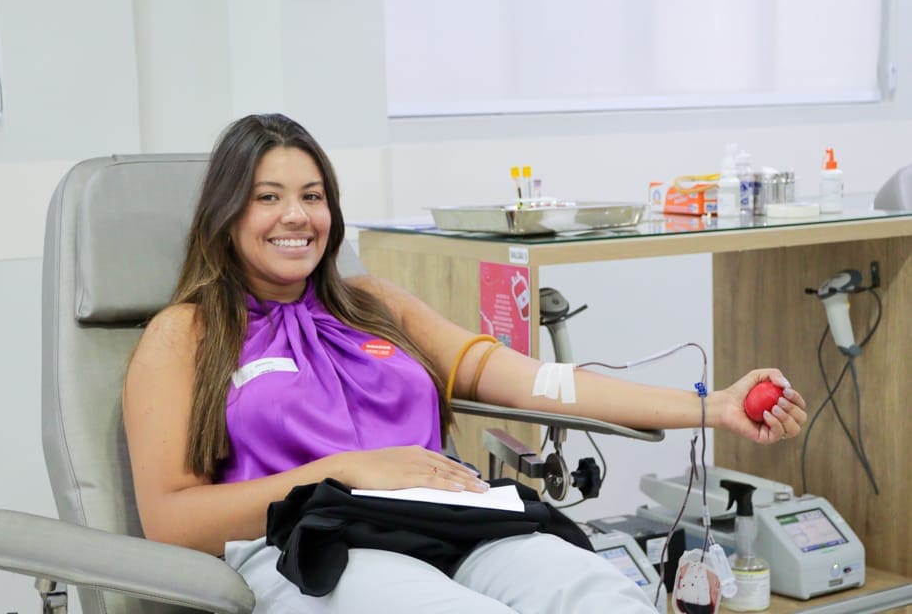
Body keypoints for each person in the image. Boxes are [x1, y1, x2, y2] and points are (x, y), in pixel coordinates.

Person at [123, 113, 808, 614]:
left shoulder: (373, 305)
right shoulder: (186, 333)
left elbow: (536, 383)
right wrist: (346, 472)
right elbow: (170, 520)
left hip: (456, 523)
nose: (296, 216)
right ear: (226, 213)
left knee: (604, 596)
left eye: (312, 195)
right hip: (311, 549)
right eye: (267, 196)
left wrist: (711, 407)